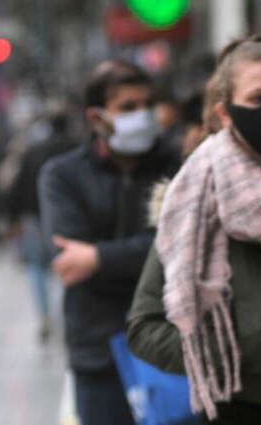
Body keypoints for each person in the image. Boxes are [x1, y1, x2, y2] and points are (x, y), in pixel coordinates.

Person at [126, 37, 261, 425]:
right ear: (226, 113)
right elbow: (144, 327)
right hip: (243, 407)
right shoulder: (194, 196)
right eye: (258, 99)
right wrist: (221, 353)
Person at [38, 59, 180, 425]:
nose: (143, 115)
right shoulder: (63, 175)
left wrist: (98, 257)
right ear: (97, 118)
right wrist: (148, 251)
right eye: (128, 107)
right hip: (97, 351)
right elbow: (70, 262)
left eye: (148, 105)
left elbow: (183, 248)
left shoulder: (178, 164)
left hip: (170, 345)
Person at [7, 110, 77, 341]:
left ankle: (44, 315)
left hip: (35, 218)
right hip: (67, 217)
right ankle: (63, 316)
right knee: (65, 266)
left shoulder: (34, 151)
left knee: (36, 267)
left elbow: (18, 185)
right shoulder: (76, 149)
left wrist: (13, 217)